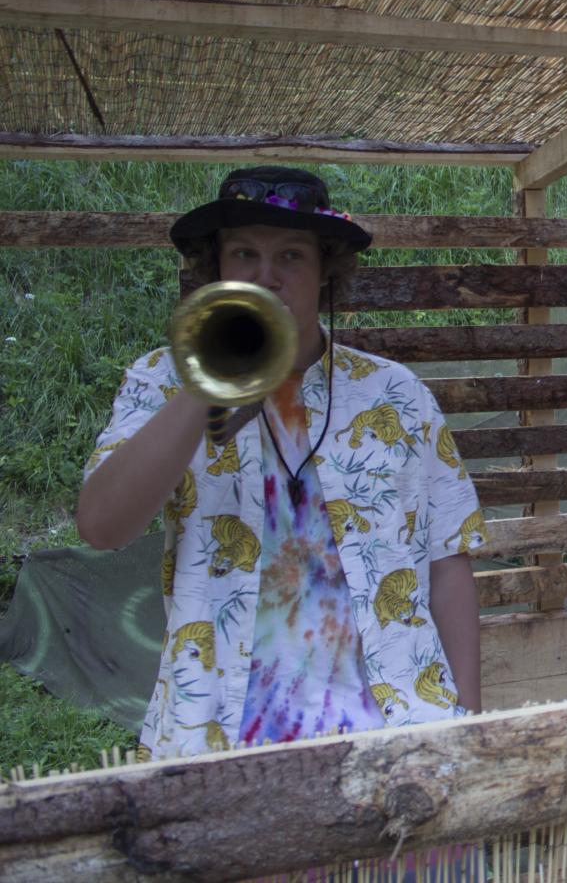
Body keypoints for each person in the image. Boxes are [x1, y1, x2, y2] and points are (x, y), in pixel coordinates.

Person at [78, 167, 486, 761]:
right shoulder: (160, 381)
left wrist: (469, 728)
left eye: (291, 255)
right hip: (217, 731)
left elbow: (448, 562)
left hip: (396, 723)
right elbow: (102, 527)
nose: (265, 275)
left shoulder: (396, 393)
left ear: (325, 270)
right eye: (244, 253)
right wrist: (203, 382)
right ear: (217, 268)